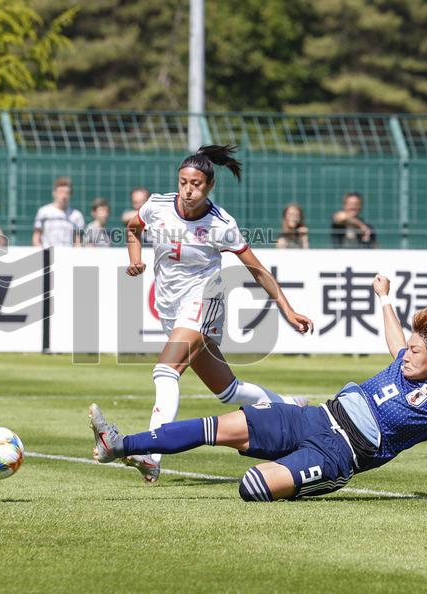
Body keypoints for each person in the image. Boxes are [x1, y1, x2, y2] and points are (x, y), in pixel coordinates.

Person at [89, 274, 427, 500]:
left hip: (338, 455)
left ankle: (298, 469)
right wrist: (383, 296)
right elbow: (395, 336)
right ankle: (118, 444)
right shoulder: (404, 362)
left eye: (416, 352)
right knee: (214, 427)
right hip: (315, 417)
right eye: (409, 348)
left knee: (252, 488)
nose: (406, 354)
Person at [122, 144, 315, 482]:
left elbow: (256, 270)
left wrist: (287, 310)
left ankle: (151, 454)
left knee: (165, 371)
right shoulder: (157, 205)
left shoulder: (221, 224)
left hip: (203, 301)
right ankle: (289, 406)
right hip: (171, 308)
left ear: (210, 186)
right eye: (183, 182)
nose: (188, 190)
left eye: (196, 184)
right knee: (228, 391)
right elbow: (133, 229)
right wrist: (135, 260)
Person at [32, 176, 85, 247]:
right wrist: (43, 253)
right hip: (48, 253)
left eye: (67, 193)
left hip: (68, 253)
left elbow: (78, 242)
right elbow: (36, 238)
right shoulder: (43, 212)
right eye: (61, 192)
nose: (64, 196)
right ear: (54, 193)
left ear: (71, 195)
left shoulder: (77, 216)